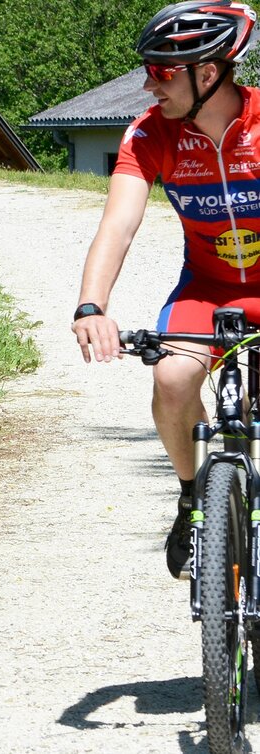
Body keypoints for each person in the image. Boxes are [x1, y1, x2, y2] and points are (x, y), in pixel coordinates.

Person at [72, 0, 260, 579]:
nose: (148, 85)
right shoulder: (150, 135)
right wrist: (91, 305)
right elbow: (118, 225)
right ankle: (192, 495)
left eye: (161, 73)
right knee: (173, 376)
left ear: (208, 72)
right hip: (208, 285)